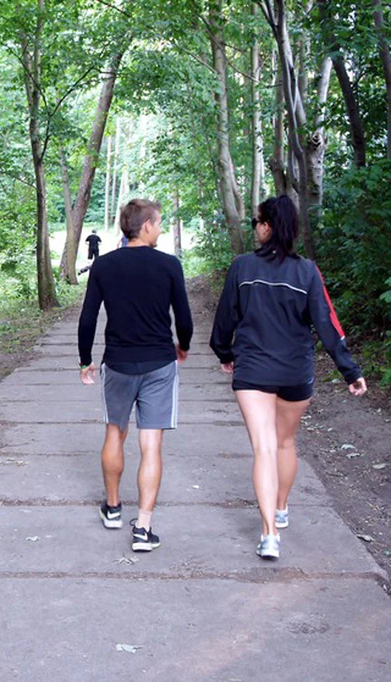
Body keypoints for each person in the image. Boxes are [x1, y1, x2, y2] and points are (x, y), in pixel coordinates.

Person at [210, 195, 367, 561]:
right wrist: (351, 371)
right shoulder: (307, 271)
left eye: (256, 222)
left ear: (267, 226)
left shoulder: (242, 267)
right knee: (285, 443)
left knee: (264, 447)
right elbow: (327, 324)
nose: (255, 228)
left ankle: (269, 534)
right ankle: (280, 508)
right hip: (295, 372)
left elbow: (224, 321)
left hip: (253, 371)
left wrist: (225, 353)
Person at [78, 199, 193, 552]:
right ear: (145, 226)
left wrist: (86, 360)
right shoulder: (169, 265)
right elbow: (184, 319)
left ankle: (113, 509)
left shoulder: (104, 266)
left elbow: (88, 318)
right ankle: (143, 528)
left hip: (119, 363)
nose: (159, 229)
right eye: (158, 224)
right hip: (159, 362)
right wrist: (182, 345)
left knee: (115, 430)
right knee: (151, 443)